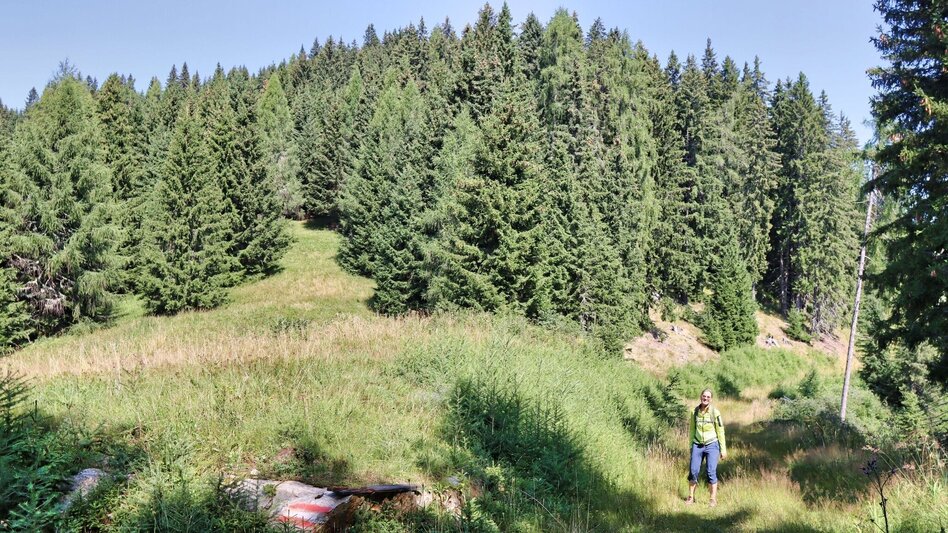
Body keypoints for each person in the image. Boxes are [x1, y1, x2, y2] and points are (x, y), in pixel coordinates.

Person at [685, 388, 727, 506]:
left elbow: (720, 432)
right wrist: (691, 446)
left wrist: (723, 449)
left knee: (711, 471)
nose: (706, 398)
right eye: (704, 396)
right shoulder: (694, 412)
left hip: (712, 445)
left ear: (711, 399)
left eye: (708, 397)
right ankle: (691, 497)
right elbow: (692, 430)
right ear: (700, 397)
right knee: (693, 471)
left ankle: (712, 499)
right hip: (697, 445)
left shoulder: (715, 413)